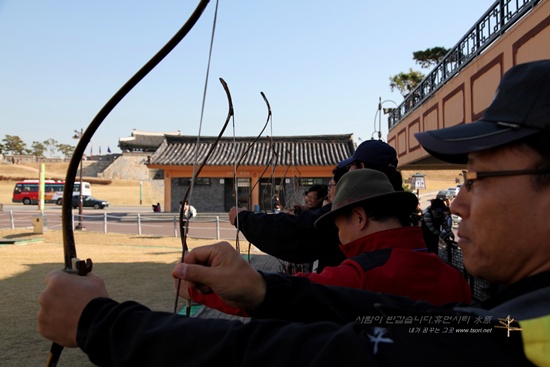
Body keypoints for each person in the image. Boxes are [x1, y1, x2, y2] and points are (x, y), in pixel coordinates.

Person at [38, 60, 550, 366]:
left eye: (478, 179)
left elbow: (304, 353)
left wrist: (99, 323)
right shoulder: (509, 321)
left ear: (363, 217)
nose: (458, 201)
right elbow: (415, 321)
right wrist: (261, 290)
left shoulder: (525, 339)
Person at [187, 169, 470, 317]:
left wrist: (200, 290)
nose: (338, 234)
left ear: (358, 218)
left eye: (338, 225)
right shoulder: (453, 277)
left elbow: (290, 297)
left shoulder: (360, 275)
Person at [229, 140, 402, 272]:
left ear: (360, 218)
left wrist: (243, 218)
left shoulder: (350, 210)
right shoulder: (400, 212)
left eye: (350, 168)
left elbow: (297, 232)